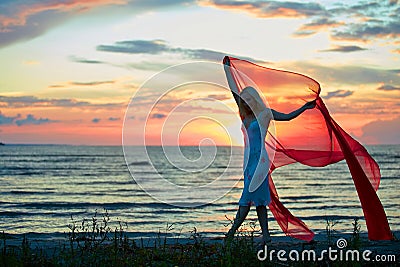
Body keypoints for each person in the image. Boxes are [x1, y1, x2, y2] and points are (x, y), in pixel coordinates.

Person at [223, 56, 316, 244]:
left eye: (250, 98)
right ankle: (265, 236)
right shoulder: (244, 116)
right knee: (257, 201)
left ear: (255, 99)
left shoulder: (265, 114)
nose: (247, 101)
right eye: (245, 99)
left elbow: (288, 117)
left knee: (249, 199)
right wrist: (227, 70)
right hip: (249, 164)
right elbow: (234, 92)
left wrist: (305, 107)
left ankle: (231, 234)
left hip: (261, 163)